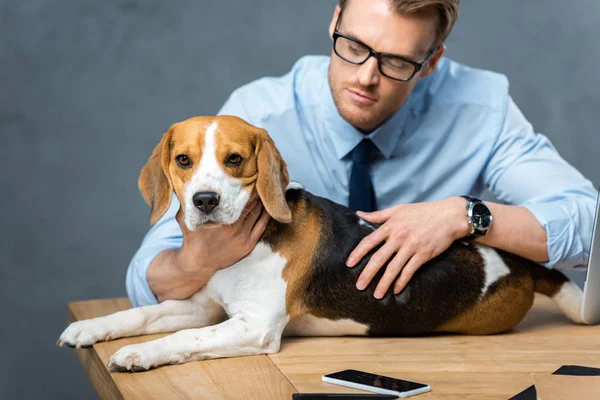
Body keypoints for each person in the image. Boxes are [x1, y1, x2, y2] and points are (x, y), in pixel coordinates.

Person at [126, 0, 597, 307]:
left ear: (432, 61)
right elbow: (147, 279)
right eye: (353, 46)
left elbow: (588, 222)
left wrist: (464, 215)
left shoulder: (482, 108)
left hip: (445, 337)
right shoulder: (255, 119)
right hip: (286, 346)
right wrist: (196, 263)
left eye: (396, 61)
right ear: (334, 21)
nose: (366, 77)